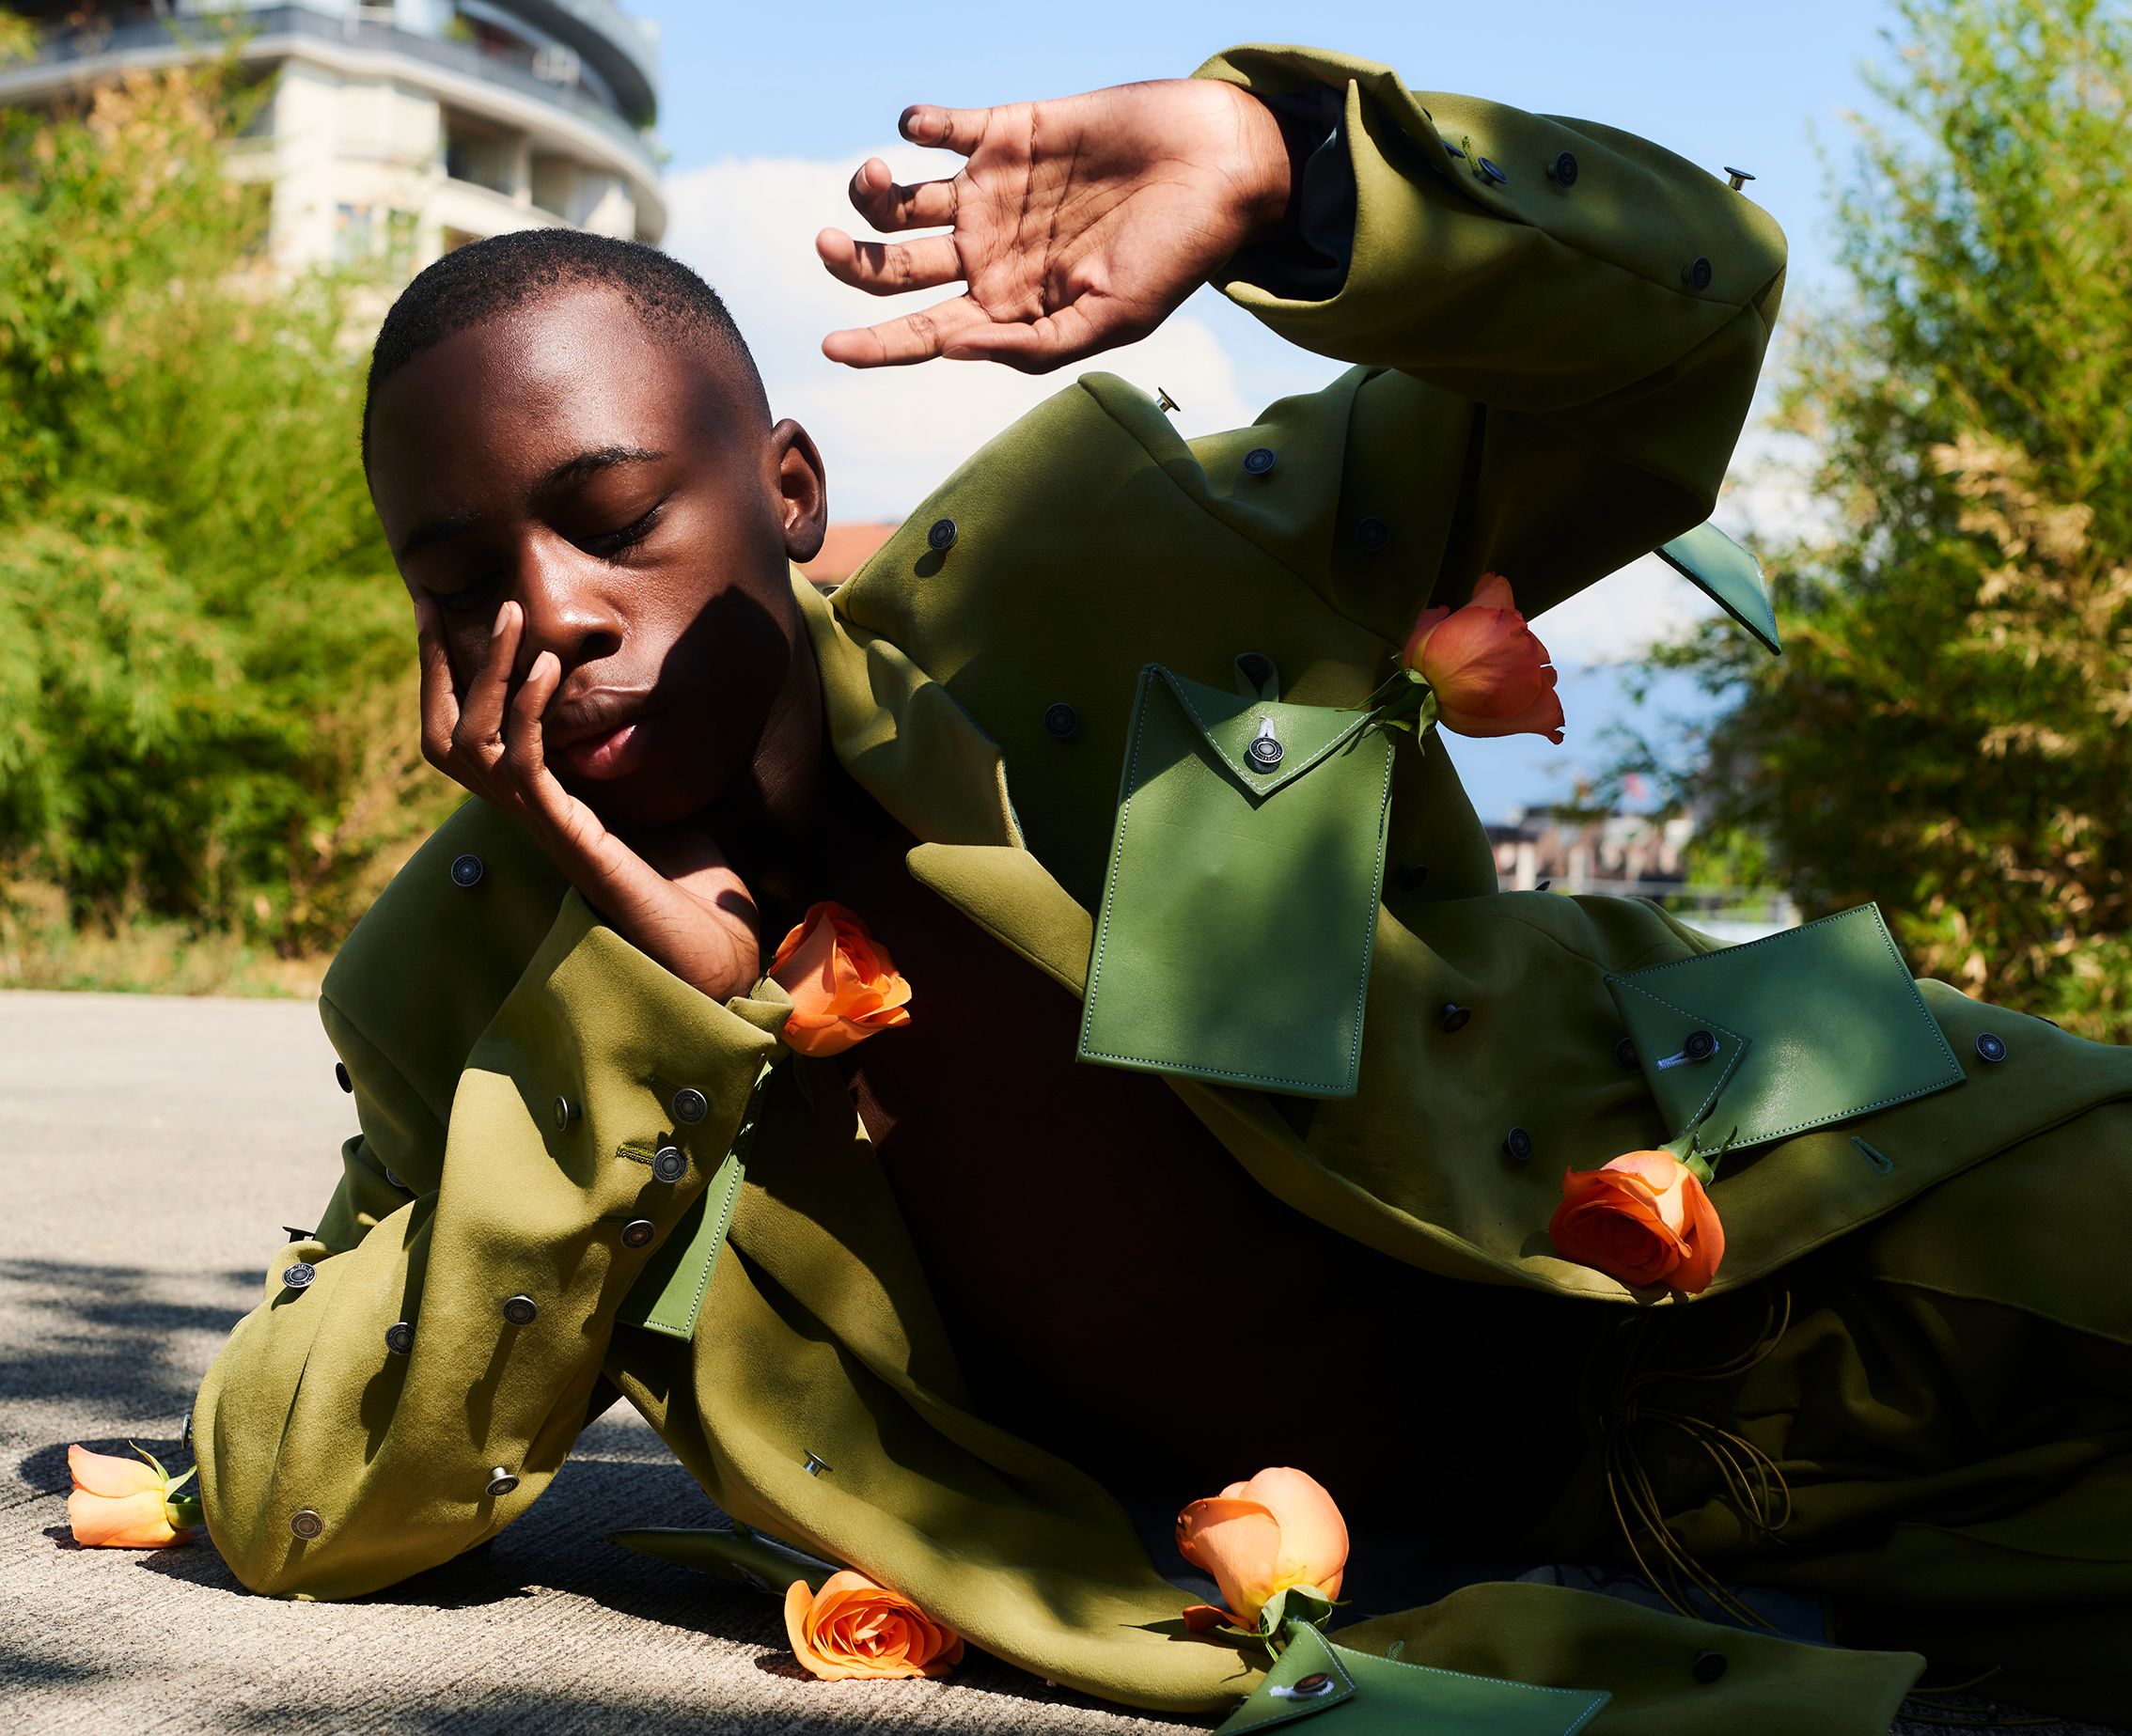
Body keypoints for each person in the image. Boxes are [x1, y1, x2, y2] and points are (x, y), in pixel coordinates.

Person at [187, 44, 2132, 1733]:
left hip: (1869, 1192)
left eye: (614, 520)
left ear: (785, 491)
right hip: (1654, 1566)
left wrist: (1294, 175)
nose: (551, 614)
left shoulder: (1110, 568)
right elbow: (293, 1492)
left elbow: (1690, 313)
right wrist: (630, 1001)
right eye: (459, 581)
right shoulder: (466, 988)